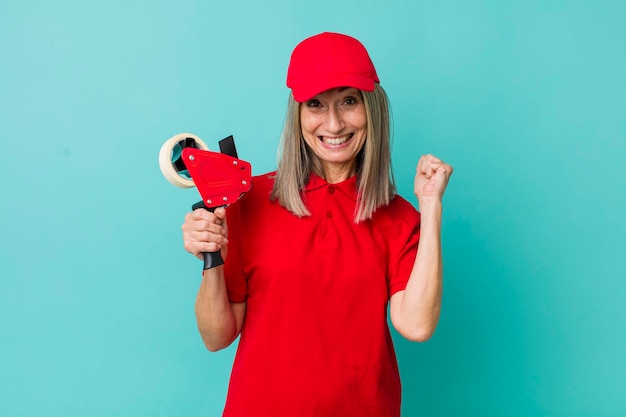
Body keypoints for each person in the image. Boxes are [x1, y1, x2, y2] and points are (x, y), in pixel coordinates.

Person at [181, 32, 453, 417]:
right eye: (315, 104)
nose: (333, 123)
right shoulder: (248, 201)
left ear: (371, 108)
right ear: (298, 115)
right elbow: (216, 337)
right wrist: (212, 255)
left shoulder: (399, 217)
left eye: (348, 101)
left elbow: (416, 325)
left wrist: (431, 207)